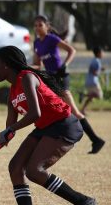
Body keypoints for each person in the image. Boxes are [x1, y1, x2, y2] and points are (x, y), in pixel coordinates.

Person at [0, 46, 95, 205]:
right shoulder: (12, 94)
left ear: (7, 65)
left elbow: (34, 113)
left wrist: (11, 128)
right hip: (44, 127)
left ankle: (82, 201)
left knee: (34, 171)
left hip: (63, 125)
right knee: (15, 167)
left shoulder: (27, 77)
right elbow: (8, 133)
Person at [32, 15, 105, 154]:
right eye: (35, 25)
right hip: (50, 79)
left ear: (47, 26)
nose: (37, 28)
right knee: (58, 110)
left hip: (60, 77)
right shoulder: (37, 43)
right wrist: (24, 67)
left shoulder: (52, 39)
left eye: (40, 25)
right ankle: (56, 137)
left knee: (74, 111)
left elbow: (72, 50)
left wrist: (64, 65)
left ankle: (96, 140)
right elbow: (37, 65)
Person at [81, 47, 104, 115]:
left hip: (89, 81)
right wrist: (102, 78)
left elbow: (93, 69)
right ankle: (84, 95)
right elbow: (94, 72)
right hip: (93, 81)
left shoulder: (94, 60)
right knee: (99, 95)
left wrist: (101, 69)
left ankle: (83, 110)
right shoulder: (97, 61)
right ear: (98, 53)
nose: (103, 54)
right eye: (102, 52)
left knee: (90, 97)